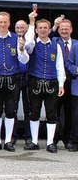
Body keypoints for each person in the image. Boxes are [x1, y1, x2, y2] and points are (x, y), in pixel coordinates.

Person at [0, 11, 30, 152]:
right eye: (0, 22)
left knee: (11, 111)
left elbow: (24, 60)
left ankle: (8, 141)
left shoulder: (16, 38)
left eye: (5, 22)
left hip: (12, 78)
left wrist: (21, 49)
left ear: (9, 23)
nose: (3, 24)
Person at [23, 18, 65, 153]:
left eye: (45, 28)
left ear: (49, 29)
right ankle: (34, 141)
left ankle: (50, 142)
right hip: (35, 82)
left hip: (52, 82)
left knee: (51, 113)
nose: (42, 30)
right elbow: (28, 41)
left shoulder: (56, 46)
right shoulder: (32, 44)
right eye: (40, 28)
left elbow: (60, 66)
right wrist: (31, 23)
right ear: (36, 30)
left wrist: (61, 84)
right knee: (34, 112)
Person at [52, 18, 76, 149]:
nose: (64, 31)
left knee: (69, 112)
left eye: (67, 28)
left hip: (73, 82)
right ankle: (53, 139)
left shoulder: (77, 44)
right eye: (62, 29)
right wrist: (55, 25)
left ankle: (68, 139)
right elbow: (46, 35)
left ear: (71, 29)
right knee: (54, 111)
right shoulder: (54, 41)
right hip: (57, 82)